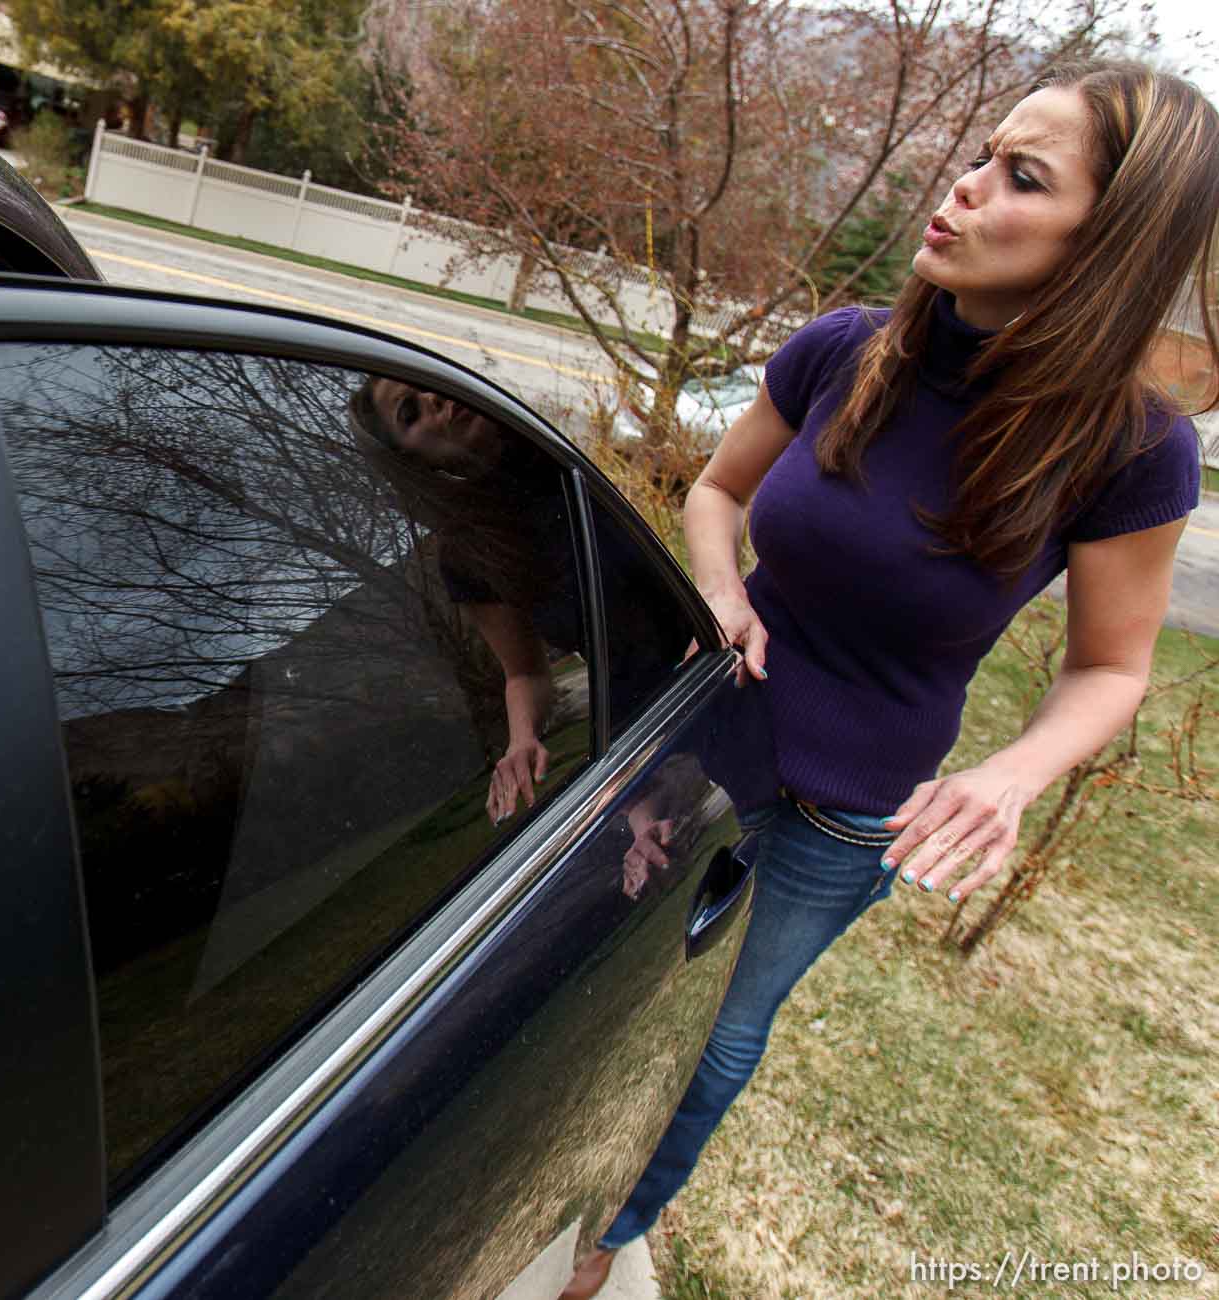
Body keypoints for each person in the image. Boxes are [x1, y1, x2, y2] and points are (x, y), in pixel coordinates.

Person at [561, 59, 1218, 1299]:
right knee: (582, 997)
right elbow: (716, 490)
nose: (962, 189)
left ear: (1113, 243)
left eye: (1020, 177)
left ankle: (595, 1250)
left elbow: (1114, 665)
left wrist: (1014, 773)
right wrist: (720, 586)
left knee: (713, 1050)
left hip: (847, 816)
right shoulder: (844, 349)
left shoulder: (1133, 450)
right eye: (981, 153)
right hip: (705, 744)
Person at [350, 379, 585, 822]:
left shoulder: (559, 455)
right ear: (411, 460)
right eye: (410, 413)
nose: (433, 400)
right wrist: (521, 741)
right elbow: (526, 672)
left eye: (423, 387)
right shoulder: (471, 556)